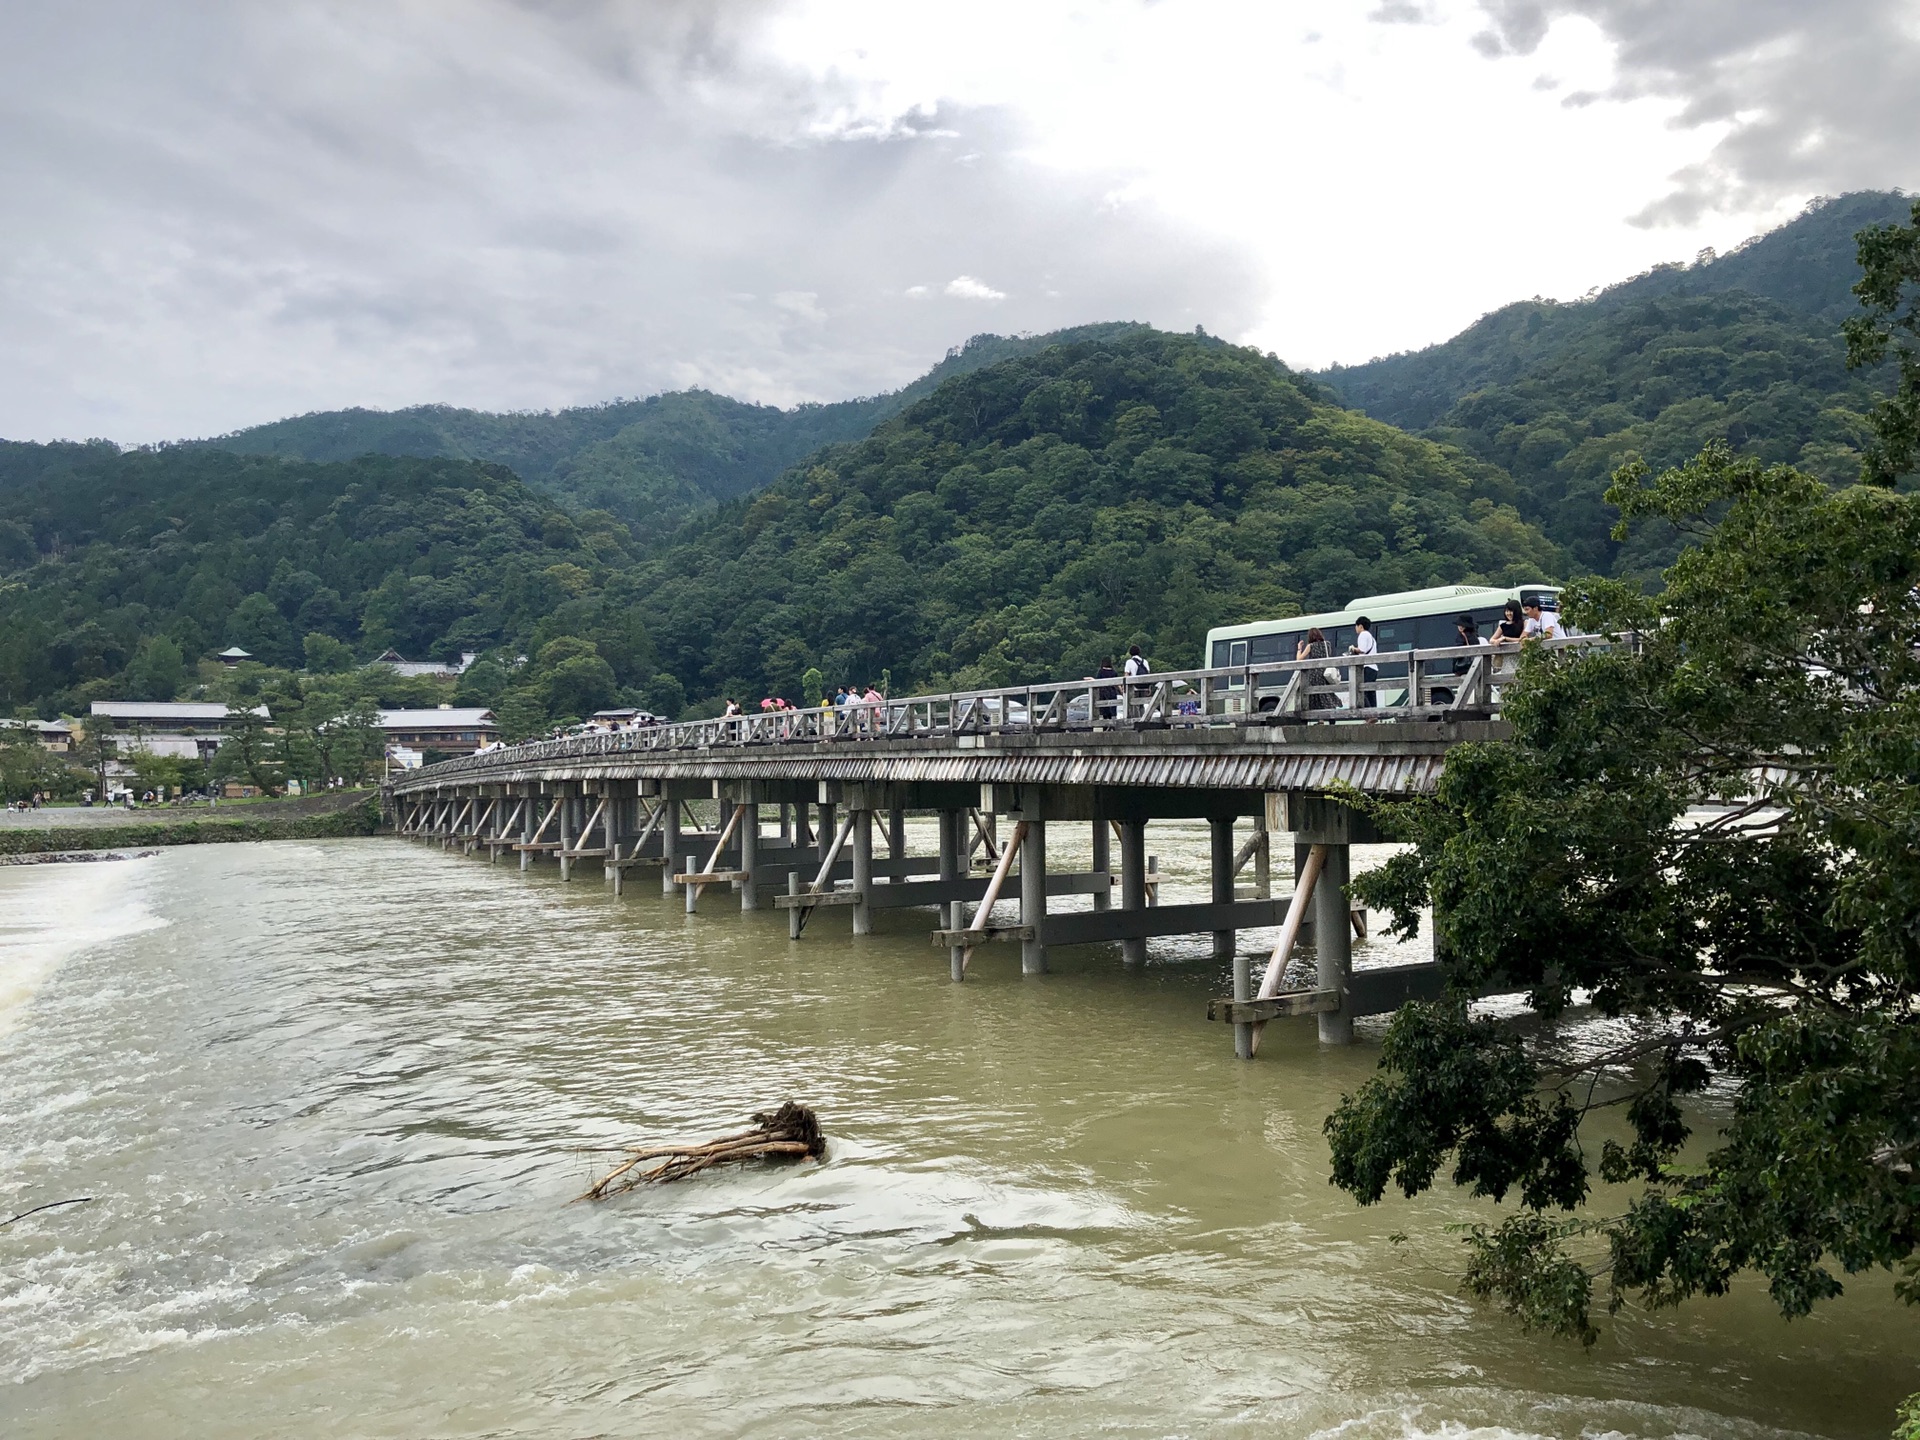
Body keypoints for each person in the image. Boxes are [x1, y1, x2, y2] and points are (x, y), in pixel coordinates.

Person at [1429, 613, 1483, 706]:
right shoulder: (1475, 637)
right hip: (1474, 667)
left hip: (1464, 669)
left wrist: (1455, 667)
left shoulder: (1461, 636)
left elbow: (1457, 654)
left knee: (1464, 691)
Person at [1347, 615, 1379, 710]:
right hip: (1374, 667)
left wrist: (1353, 649)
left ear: (1360, 626)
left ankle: (1369, 715)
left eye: (1356, 626)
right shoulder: (1371, 637)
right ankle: (1374, 713)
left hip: (1367, 667)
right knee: (1370, 692)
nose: (1355, 628)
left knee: (1360, 690)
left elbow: (1363, 650)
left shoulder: (1363, 634)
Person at [1094, 657, 1118, 721]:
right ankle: (1112, 725)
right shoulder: (1114, 672)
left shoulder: (1101, 672)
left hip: (1103, 692)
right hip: (1112, 692)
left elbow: (1097, 682)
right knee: (1112, 710)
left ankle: (1105, 725)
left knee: (1104, 710)